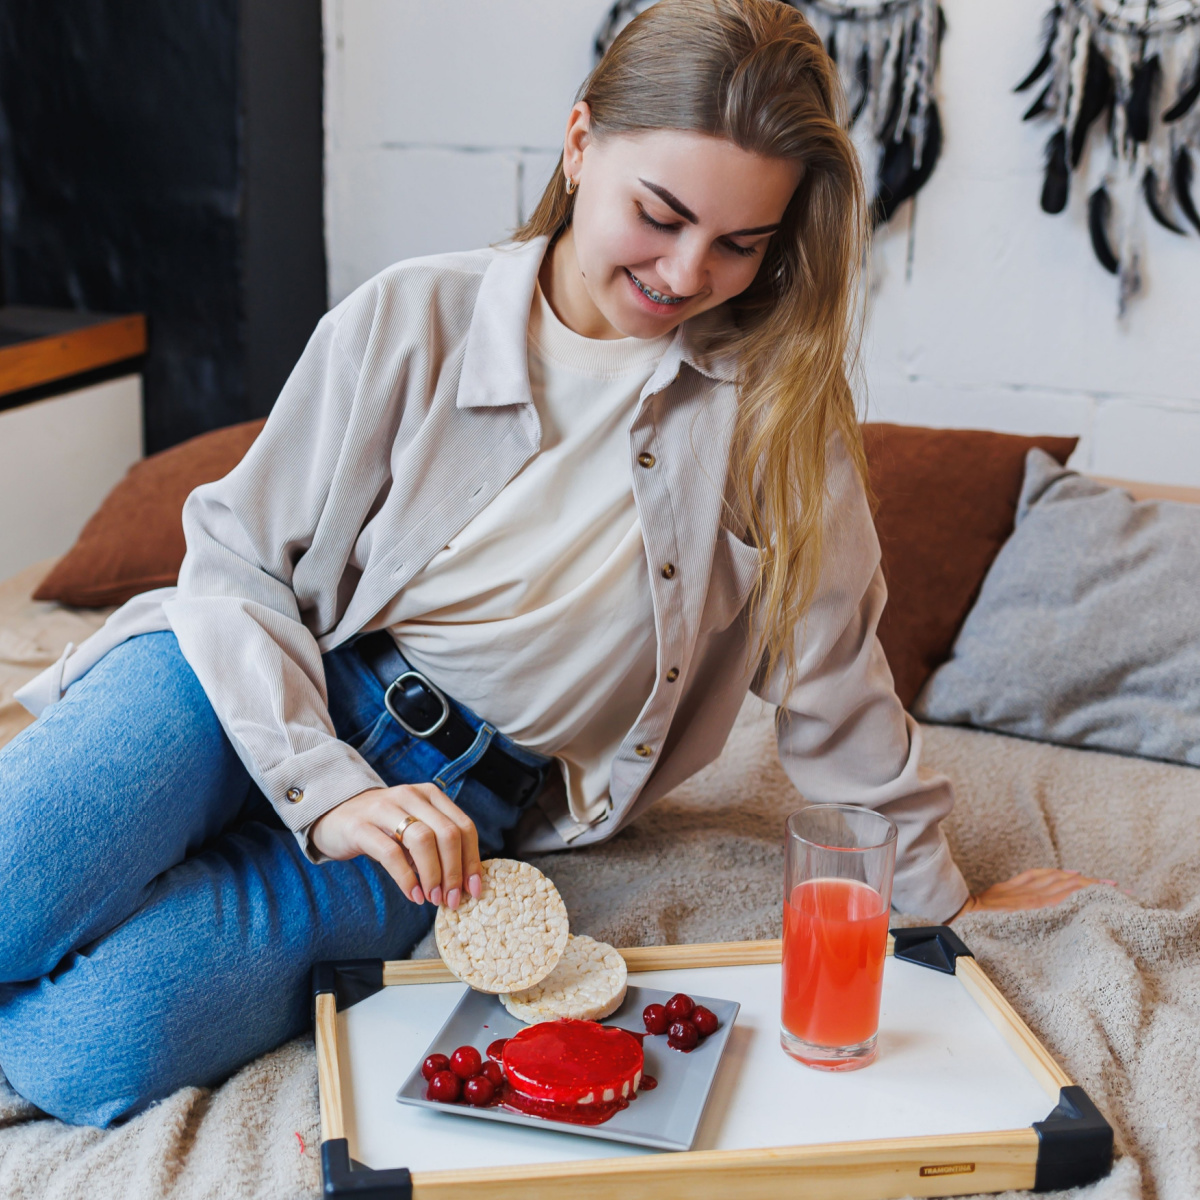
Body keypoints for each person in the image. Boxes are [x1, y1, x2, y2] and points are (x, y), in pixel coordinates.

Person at [0, 0, 1096, 1127]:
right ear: (580, 146)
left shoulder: (782, 427)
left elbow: (841, 703)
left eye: (739, 244)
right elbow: (233, 563)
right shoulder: (411, 315)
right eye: (659, 215)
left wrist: (936, 917)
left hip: (448, 814)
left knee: (95, 1049)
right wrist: (320, 790)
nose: (685, 272)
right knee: (7, 894)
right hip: (244, 677)